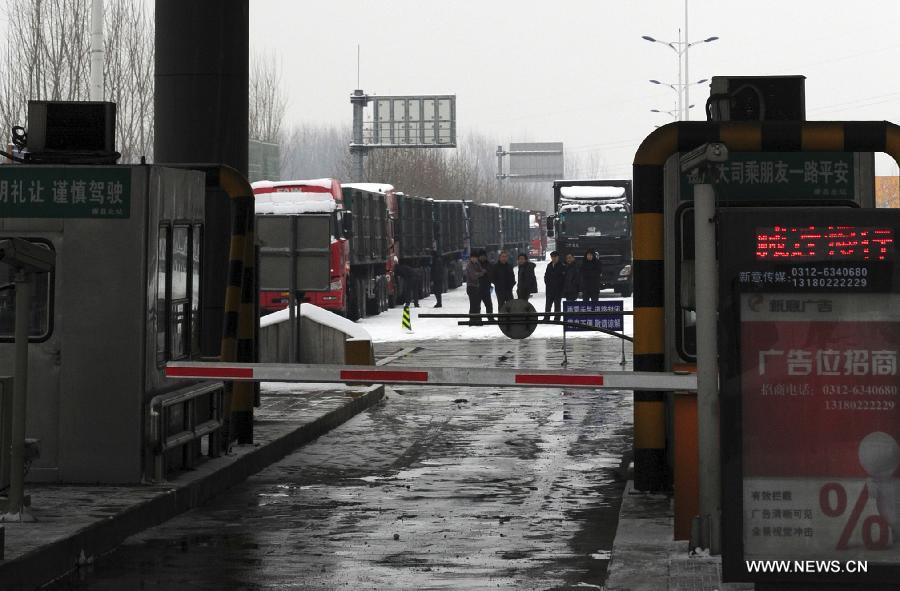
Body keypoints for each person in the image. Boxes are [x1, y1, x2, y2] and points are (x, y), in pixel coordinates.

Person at [465, 252, 487, 325]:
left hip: (477, 286)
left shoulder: (477, 264)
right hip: (471, 287)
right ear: (470, 258)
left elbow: (482, 271)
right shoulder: (469, 265)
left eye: (475, 257)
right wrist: (480, 273)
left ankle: (478, 319)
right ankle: (472, 320)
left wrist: (479, 273)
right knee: (473, 304)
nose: (474, 259)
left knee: (478, 304)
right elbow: (473, 276)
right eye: (473, 257)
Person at [544, 251, 566, 322]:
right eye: (552, 257)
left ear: (558, 257)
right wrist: (547, 283)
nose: (553, 258)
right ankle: (546, 318)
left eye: (555, 257)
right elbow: (546, 276)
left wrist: (560, 287)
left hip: (558, 289)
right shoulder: (549, 265)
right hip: (549, 289)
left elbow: (563, 278)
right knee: (548, 305)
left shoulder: (562, 266)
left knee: (557, 305)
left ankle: (557, 319)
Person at [477, 250, 494, 321]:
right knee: (477, 305)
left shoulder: (489, 264)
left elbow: (491, 274)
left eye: (484, 256)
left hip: (486, 287)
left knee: (489, 304)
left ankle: (490, 318)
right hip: (477, 288)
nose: (483, 257)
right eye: (481, 256)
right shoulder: (476, 264)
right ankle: (477, 319)